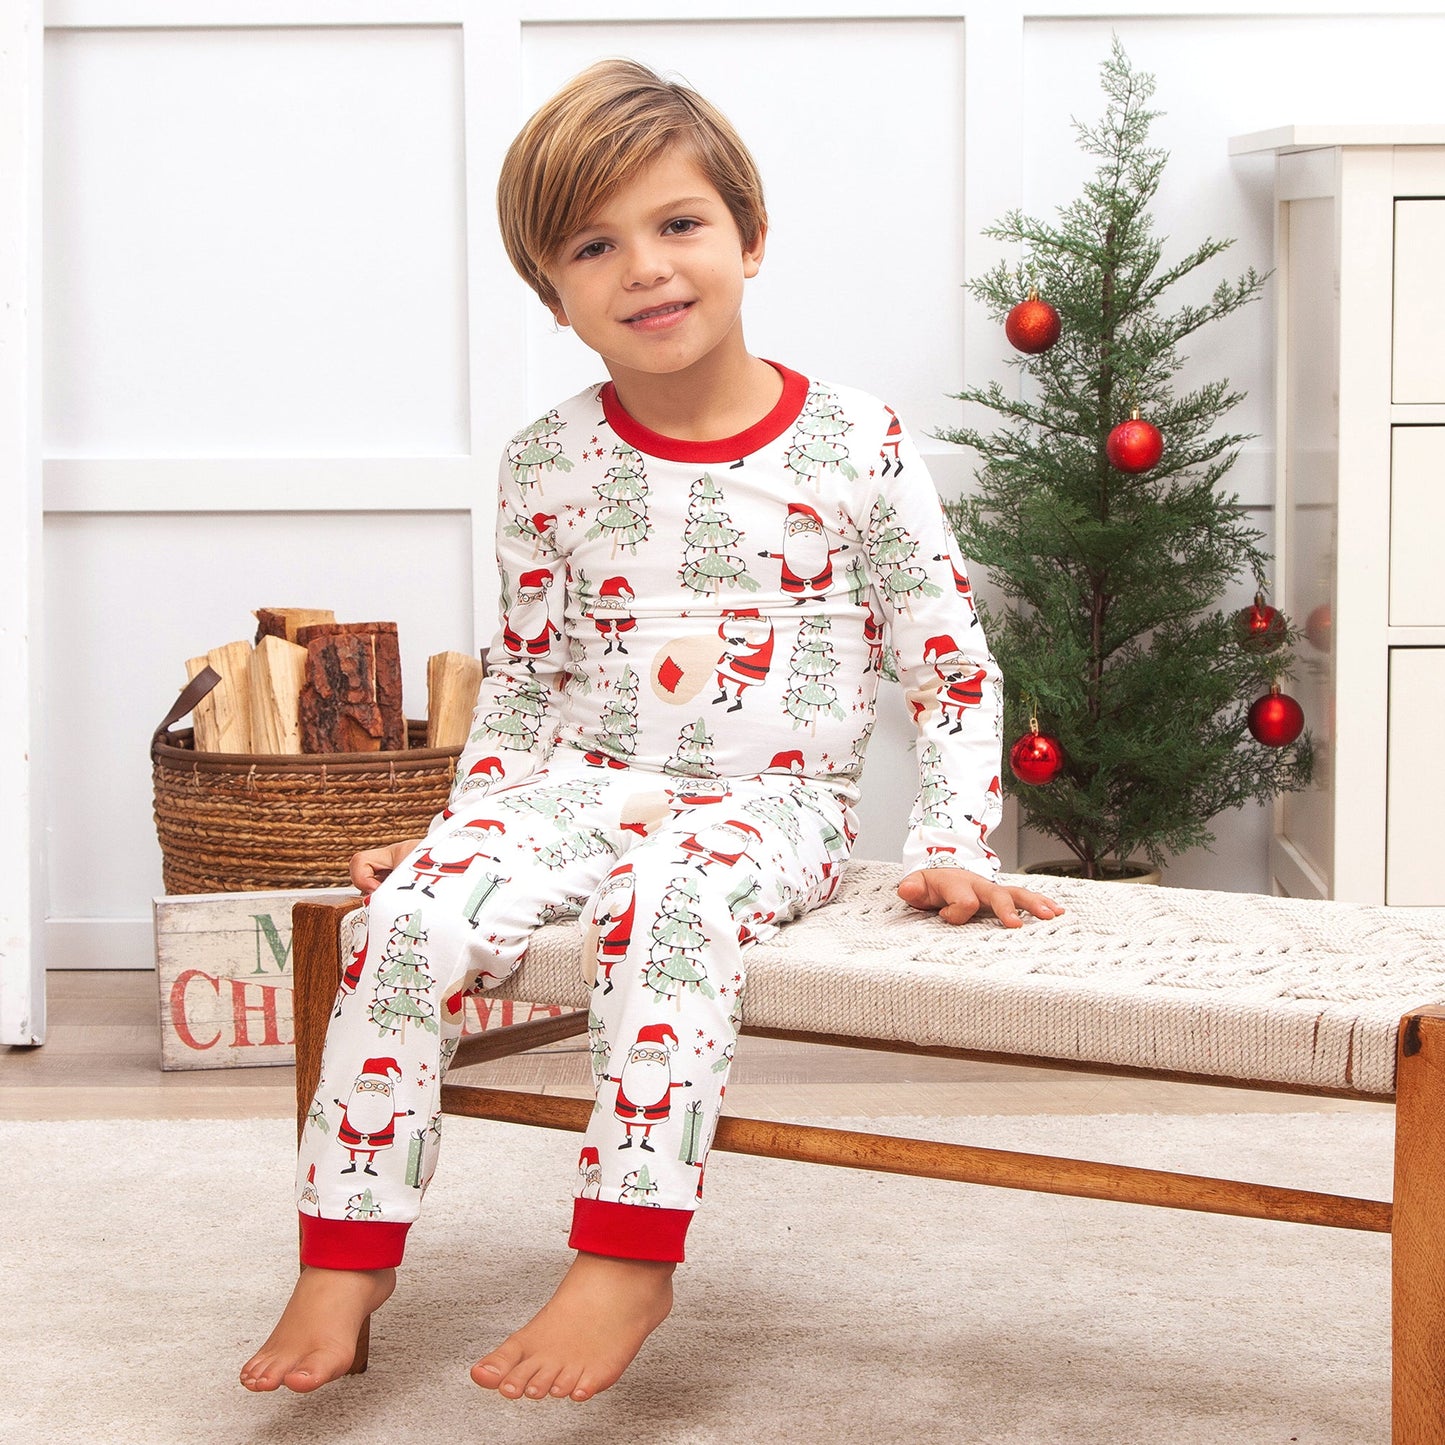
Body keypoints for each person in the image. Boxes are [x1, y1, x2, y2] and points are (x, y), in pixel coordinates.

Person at [240, 57, 1061, 1407]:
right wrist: (467, 838)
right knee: (402, 920)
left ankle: (626, 1247)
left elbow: (947, 663)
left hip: (772, 806)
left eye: (677, 224)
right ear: (551, 295)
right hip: (584, 784)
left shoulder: (854, 443)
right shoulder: (548, 463)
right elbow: (522, 679)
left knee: (663, 904)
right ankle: (346, 1244)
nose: (644, 268)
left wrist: (950, 837)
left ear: (747, 233)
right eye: (592, 245)